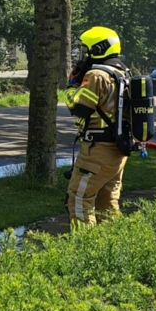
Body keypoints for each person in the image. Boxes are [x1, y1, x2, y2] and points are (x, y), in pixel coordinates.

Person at [64, 26, 130, 227]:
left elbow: (80, 108)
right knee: (107, 201)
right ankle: (113, 242)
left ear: (98, 49)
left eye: (87, 50)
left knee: (79, 199)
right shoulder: (122, 72)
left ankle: (85, 244)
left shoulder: (97, 75)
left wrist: (72, 87)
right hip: (117, 149)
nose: (84, 55)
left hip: (97, 150)